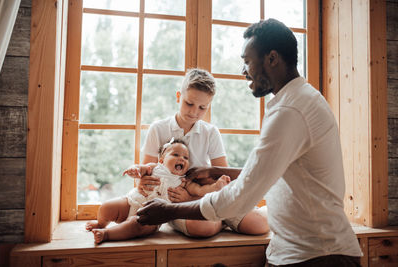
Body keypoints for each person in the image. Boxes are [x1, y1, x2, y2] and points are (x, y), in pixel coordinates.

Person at [136, 19, 363, 266]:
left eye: (247, 61)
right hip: (297, 251)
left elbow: (243, 193)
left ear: (272, 58)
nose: (243, 71)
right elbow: (271, 174)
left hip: (317, 257)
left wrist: (168, 210)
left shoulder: (290, 111)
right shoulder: (300, 100)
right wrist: (215, 171)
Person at [138, 68, 269, 237]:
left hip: (211, 196)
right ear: (179, 97)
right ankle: (219, 219)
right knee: (204, 227)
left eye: (202, 108)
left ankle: (240, 213)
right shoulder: (158, 129)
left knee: (259, 225)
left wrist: (215, 196)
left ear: (209, 106)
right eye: (189, 104)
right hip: (175, 202)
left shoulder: (210, 132)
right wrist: (185, 199)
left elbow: (224, 177)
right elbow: (148, 176)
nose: (194, 112)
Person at [85, 139, 231, 244]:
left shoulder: (184, 181)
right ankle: (101, 223)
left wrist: (215, 187)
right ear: (161, 160)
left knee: (135, 225)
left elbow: (200, 190)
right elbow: (141, 168)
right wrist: (135, 170)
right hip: (131, 202)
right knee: (107, 207)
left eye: (186, 158)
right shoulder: (154, 167)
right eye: (176, 155)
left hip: (153, 216)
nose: (182, 159)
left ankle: (107, 234)